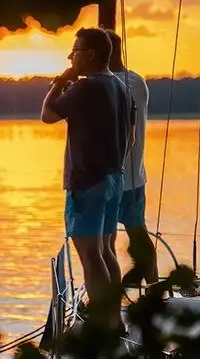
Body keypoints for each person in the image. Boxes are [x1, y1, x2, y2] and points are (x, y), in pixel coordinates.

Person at [41, 28, 135, 307]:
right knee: (105, 251)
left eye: (76, 51)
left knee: (90, 256)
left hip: (87, 182)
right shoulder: (121, 87)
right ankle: (114, 316)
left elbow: (47, 115)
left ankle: (103, 320)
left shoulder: (87, 87)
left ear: (91, 54)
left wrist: (60, 81)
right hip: (114, 179)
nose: (71, 57)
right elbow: (130, 138)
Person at [106, 30, 159, 285]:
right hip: (134, 176)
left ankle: (110, 292)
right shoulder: (137, 81)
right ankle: (153, 285)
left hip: (113, 178)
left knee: (105, 240)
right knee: (138, 234)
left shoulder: (113, 84)